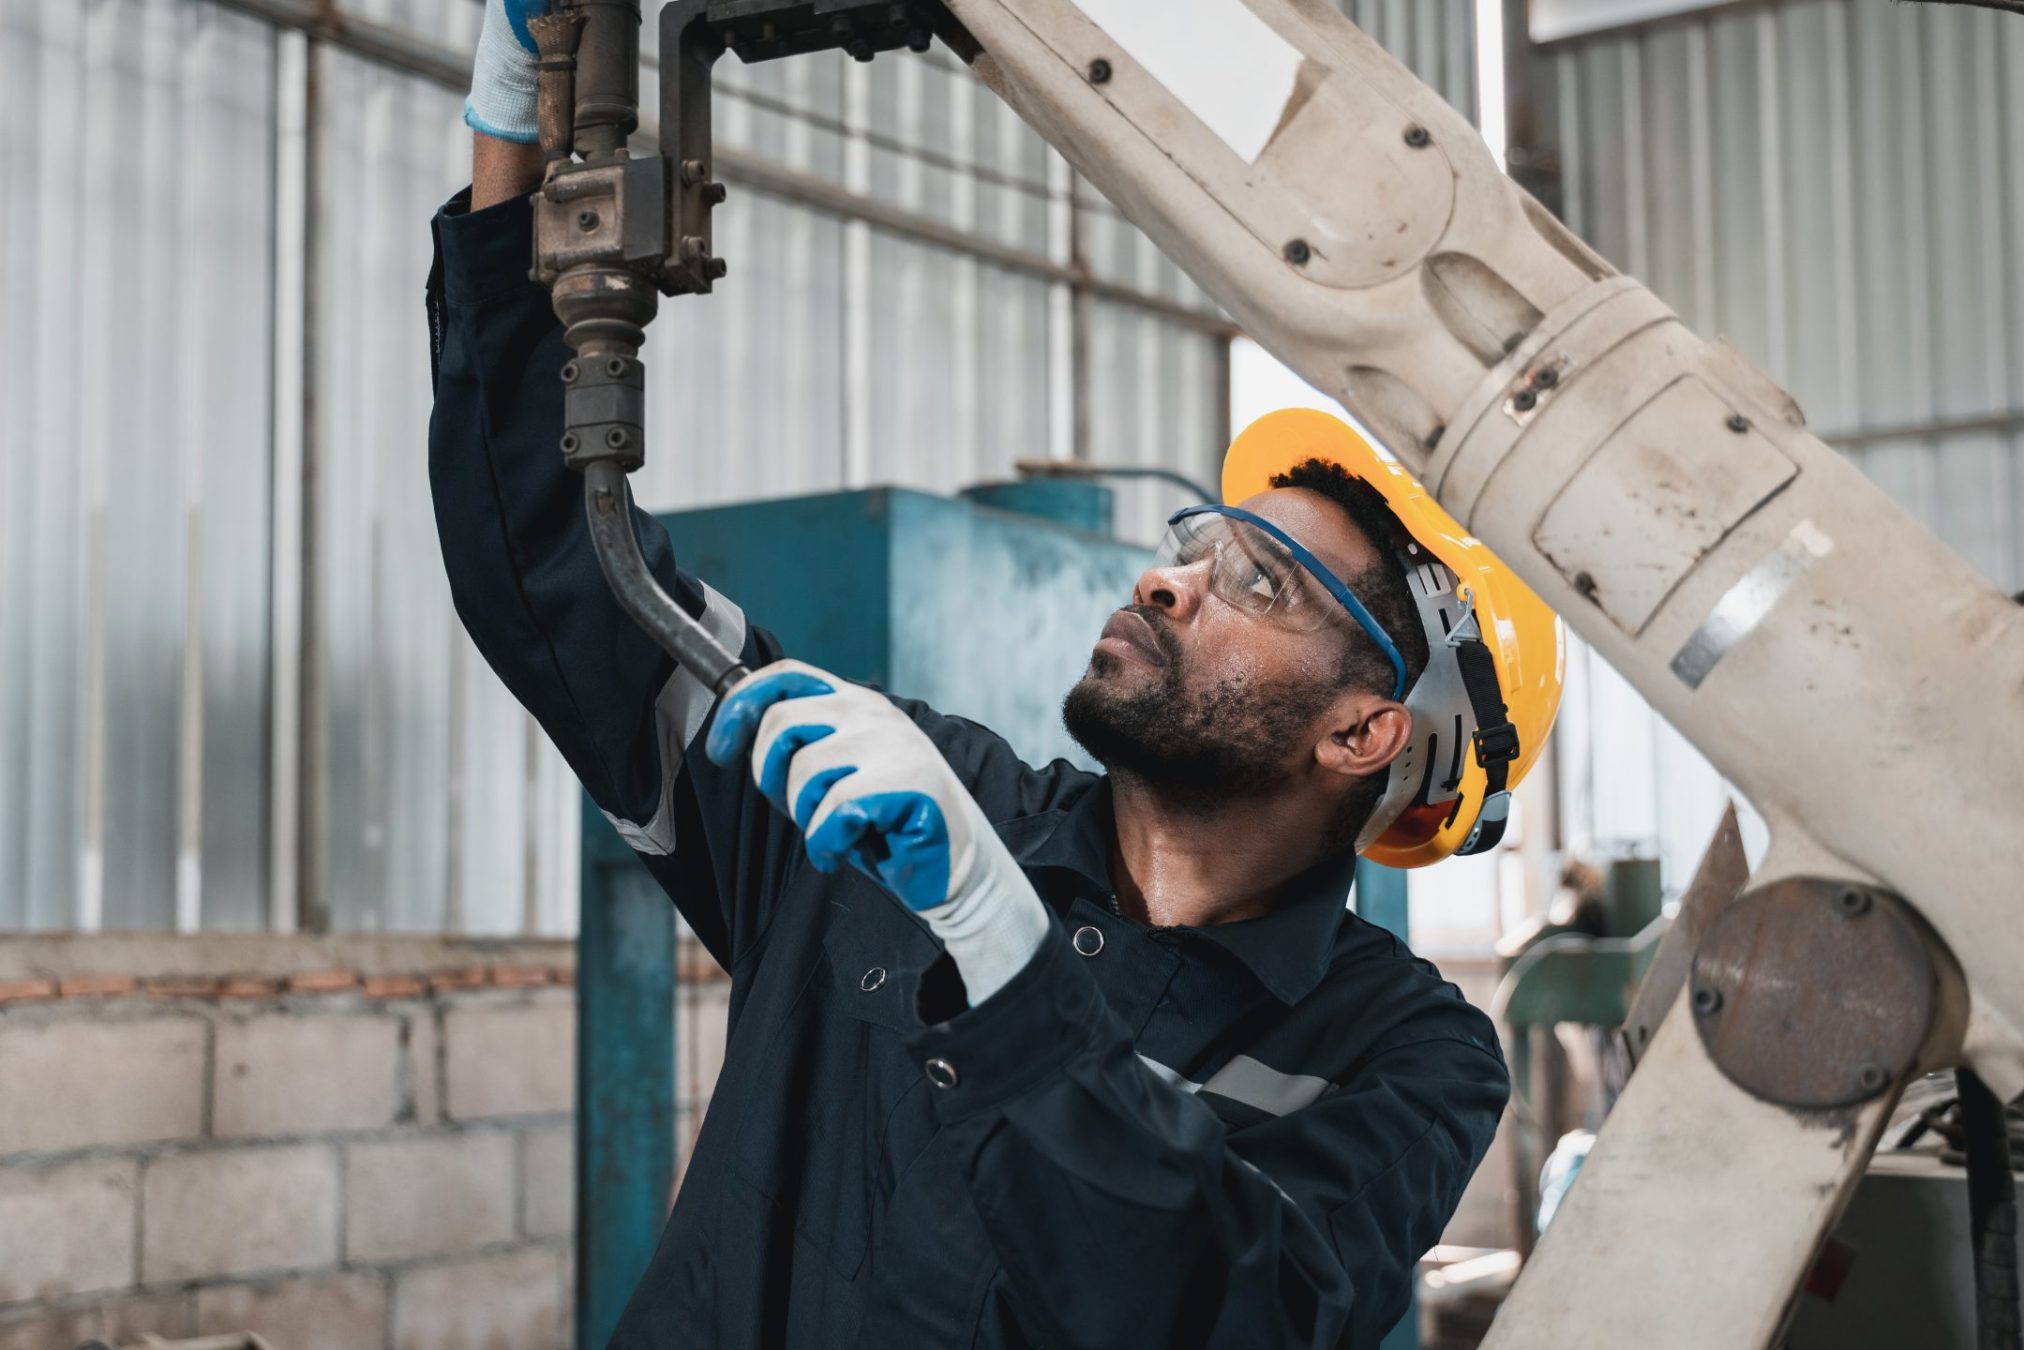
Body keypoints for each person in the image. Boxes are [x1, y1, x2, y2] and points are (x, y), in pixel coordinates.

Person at [431, 4, 1561, 1344]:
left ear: (1367, 730)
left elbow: (1239, 1311)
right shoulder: (898, 815)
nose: (1168, 578)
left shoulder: (1405, 1052)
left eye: (1257, 582)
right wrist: (513, 134)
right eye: (1198, 541)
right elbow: (558, 578)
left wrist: (1005, 952)